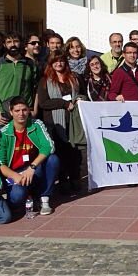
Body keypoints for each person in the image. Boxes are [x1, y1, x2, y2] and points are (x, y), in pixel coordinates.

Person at [0, 96, 58, 215]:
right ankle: (27, 196)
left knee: (53, 160)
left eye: (24, 110)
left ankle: (44, 199)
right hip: (13, 174)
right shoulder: (3, 133)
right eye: (17, 111)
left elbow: (49, 146)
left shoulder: (36, 124)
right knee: (17, 196)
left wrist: (32, 167)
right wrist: (15, 176)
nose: (21, 114)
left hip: (33, 168)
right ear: (11, 112)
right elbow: (1, 164)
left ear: (29, 110)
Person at [35, 51, 82, 192]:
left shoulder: (73, 78)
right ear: (51, 64)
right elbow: (43, 103)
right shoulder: (45, 81)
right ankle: (62, 180)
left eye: (61, 60)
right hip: (55, 124)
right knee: (60, 152)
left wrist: (79, 98)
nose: (59, 63)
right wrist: (63, 103)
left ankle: (75, 178)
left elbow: (82, 92)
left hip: (73, 121)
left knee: (74, 152)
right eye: (55, 61)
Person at [0, 31, 39, 131]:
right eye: (9, 42)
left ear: (21, 43)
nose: (13, 44)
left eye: (16, 41)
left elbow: (37, 89)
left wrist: (34, 110)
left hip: (24, 114)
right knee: (3, 146)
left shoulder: (30, 64)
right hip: (2, 116)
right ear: (4, 45)